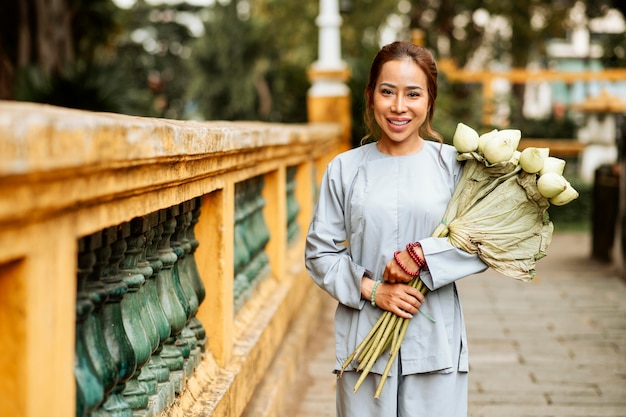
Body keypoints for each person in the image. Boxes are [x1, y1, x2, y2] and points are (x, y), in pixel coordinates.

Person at [304, 41, 488, 417]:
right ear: (371, 96)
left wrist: (421, 257)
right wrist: (373, 291)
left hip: (434, 339)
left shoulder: (455, 165)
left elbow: (483, 240)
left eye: (413, 94)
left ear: (429, 100)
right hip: (364, 339)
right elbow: (319, 252)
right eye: (387, 92)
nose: (399, 107)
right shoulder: (345, 168)